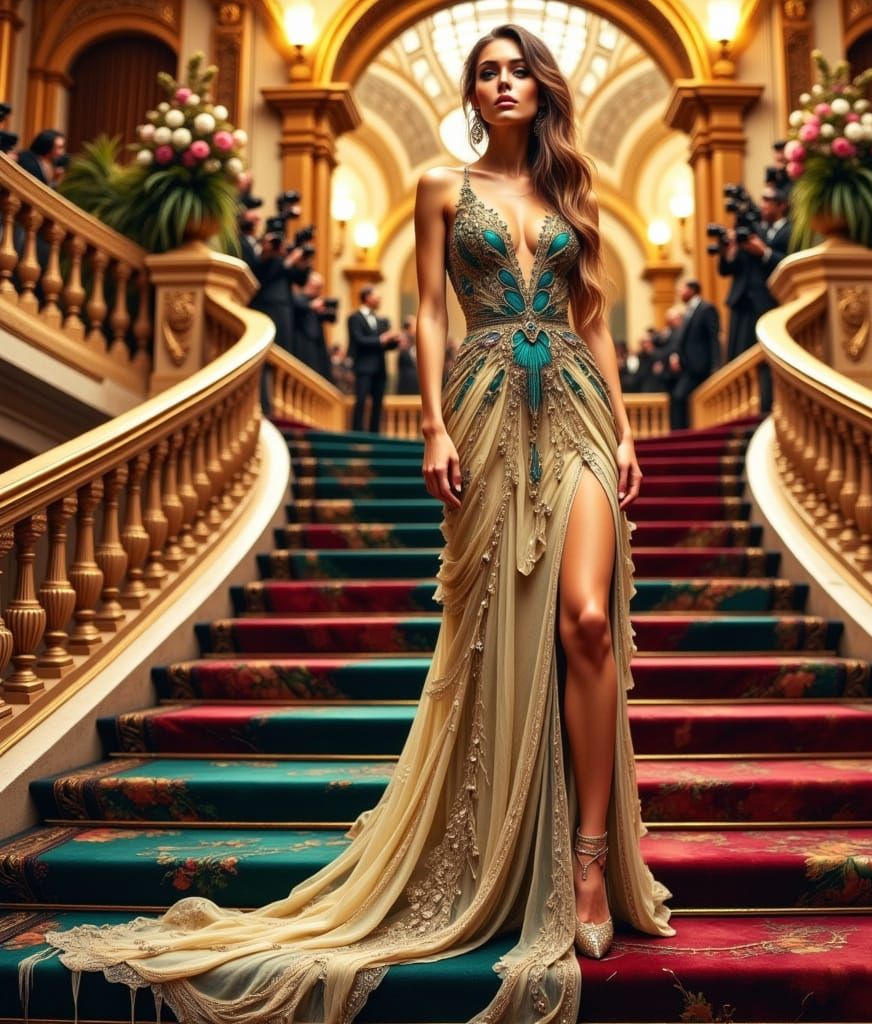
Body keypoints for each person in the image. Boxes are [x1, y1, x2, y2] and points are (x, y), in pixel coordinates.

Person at [44, 23, 671, 1024]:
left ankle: (589, 860)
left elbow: (591, 314)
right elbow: (428, 309)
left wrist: (628, 421)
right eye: (487, 73)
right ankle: (507, 856)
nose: (503, 83)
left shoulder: (574, 191)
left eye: (517, 71)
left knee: (588, 620)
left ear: (542, 89)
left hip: (582, 415)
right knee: (508, 626)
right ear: (474, 95)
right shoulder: (436, 185)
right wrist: (429, 421)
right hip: (480, 406)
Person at [719, 184, 791, 363]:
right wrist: (730, 250)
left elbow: (787, 265)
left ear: (782, 205)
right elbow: (726, 269)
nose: (762, 204)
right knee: (737, 358)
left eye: (768, 200)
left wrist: (764, 251)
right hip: (741, 300)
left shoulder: (788, 231)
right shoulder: (751, 230)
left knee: (760, 358)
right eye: (762, 200)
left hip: (766, 301)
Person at [666, 279, 720, 430]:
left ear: (692, 290)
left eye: (682, 289)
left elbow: (713, 338)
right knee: (679, 398)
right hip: (687, 367)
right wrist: (676, 355)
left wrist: (716, 366)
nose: (679, 292)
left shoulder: (706, 308)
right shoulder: (689, 310)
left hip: (700, 366)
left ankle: (679, 436)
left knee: (679, 397)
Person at [347, 284, 400, 432]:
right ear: (367, 297)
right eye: (376, 296)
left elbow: (386, 346)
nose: (379, 299)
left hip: (379, 367)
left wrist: (394, 341)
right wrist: (382, 339)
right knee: (361, 400)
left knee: (378, 402)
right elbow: (358, 340)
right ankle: (357, 432)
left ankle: (374, 433)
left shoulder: (381, 320)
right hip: (363, 367)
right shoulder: (354, 318)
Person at [395, 314, 420, 394]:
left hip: (418, 385)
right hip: (407, 386)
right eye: (415, 326)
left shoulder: (418, 343)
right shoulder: (402, 342)